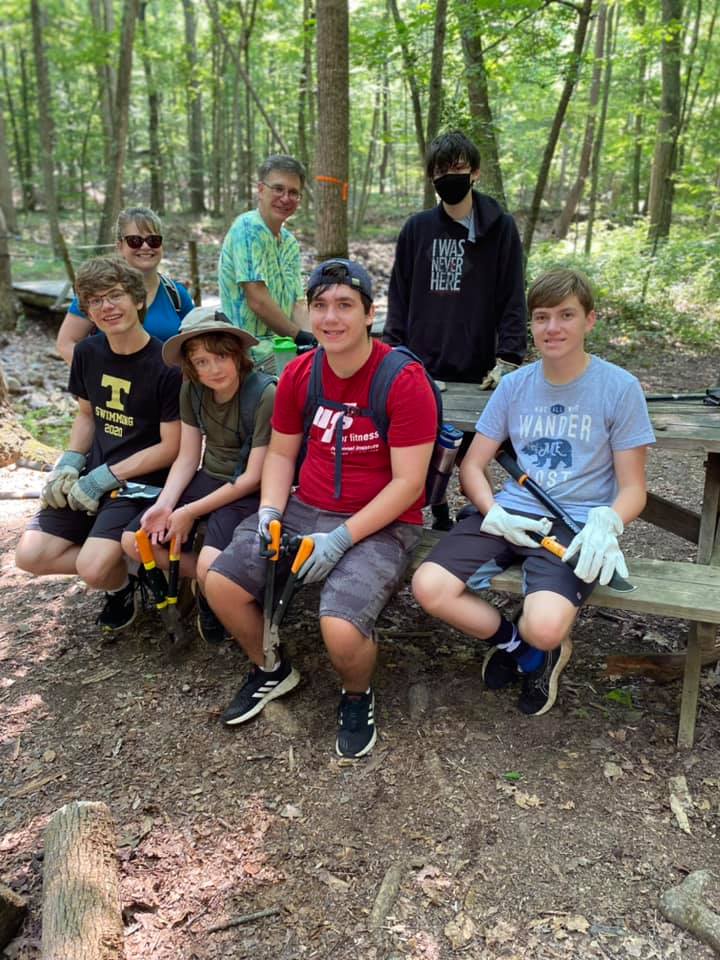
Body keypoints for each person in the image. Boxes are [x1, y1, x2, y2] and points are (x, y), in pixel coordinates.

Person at [204, 259, 437, 758]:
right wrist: (269, 511)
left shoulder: (403, 379)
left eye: (345, 306)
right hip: (303, 505)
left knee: (340, 626)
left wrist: (341, 538)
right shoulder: (300, 373)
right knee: (220, 582)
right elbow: (283, 453)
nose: (331, 318)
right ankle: (270, 668)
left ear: (369, 314)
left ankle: (357, 694)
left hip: (382, 520)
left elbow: (408, 483)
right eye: (320, 306)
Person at [412, 268, 655, 717]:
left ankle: (540, 645)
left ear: (590, 320)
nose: (553, 328)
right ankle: (517, 647)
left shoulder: (619, 388)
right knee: (429, 586)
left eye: (566, 315)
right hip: (512, 514)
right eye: (542, 317)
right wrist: (492, 510)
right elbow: (473, 465)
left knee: (545, 627)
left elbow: (634, 488)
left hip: (575, 526)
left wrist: (608, 520)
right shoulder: (513, 385)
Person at [16, 257, 182, 631]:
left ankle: (114, 573)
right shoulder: (88, 353)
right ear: (87, 310)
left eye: (115, 296)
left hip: (143, 482)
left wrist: (106, 477)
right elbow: (88, 415)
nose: (107, 307)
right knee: (30, 555)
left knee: (92, 568)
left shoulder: (167, 365)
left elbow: (171, 448)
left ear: (137, 299)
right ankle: (126, 574)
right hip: (93, 469)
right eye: (95, 300)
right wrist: (71, 462)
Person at [384, 130, 527, 530]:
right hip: (423, 365)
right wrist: (395, 351)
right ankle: (432, 506)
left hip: (476, 366)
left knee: (470, 455)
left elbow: (513, 295)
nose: (450, 176)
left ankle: (466, 512)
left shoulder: (499, 228)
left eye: (458, 169)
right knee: (419, 450)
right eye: (441, 170)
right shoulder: (417, 229)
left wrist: (509, 359)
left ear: (475, 172)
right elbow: (399, 294)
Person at [120, 307, 275, 645]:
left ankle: (214, 589)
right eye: (201, 362)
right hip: (210, 476)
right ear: (190, 366)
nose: (213, 369)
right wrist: (166, 504)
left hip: (249, 488)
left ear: (237, 353)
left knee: (211, 567)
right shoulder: (192, 390)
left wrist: (189, 512)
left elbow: (253, 477)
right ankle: (201, 585)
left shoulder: (264, 394)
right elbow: (189, 456)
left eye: (220, 356)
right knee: (135, 540)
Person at [56, 207, 194, 363]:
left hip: (170, 386)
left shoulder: (177, 295)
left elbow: (197, 345)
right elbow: (66, 343)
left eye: (153, 240)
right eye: (135, 241)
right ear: (120, 246)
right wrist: (96, 376)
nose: (146, 246)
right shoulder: (96, 292)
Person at [218, 155, 314, 373]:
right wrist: (299, 336)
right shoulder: (248, 228)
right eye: (278, 189)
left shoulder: (289, 241)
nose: (285, 198)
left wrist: (315, 342)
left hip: (283, 348)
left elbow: (298, 303)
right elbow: (257, 300)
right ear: (261, 190)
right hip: (249, 352)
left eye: (293, 192)